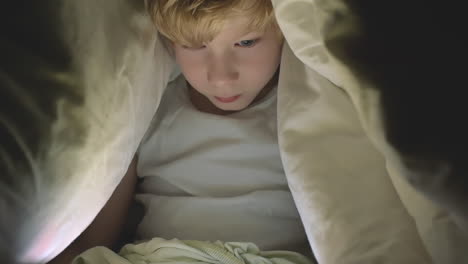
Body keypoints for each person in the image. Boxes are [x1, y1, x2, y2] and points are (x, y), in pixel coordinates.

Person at [49, 0, 311, 263]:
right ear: (171, 43)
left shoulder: (304, 105)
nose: (221, 77)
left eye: (246, 43)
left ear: (282, 32)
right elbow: (93, 242)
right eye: (195, 46)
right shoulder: (150, 110)